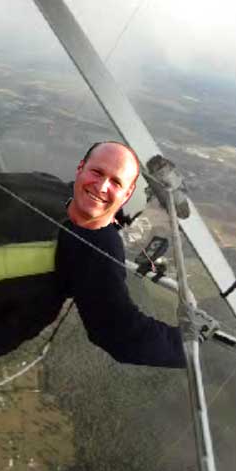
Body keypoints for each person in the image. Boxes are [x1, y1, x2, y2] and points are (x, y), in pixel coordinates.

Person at [56, 142, 187, 369]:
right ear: (81, 168)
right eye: (97, 173)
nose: (102, 186)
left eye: (115, 182)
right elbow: (120, 334)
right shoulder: (98, 241)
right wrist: (185, 345)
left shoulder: (49, 188)